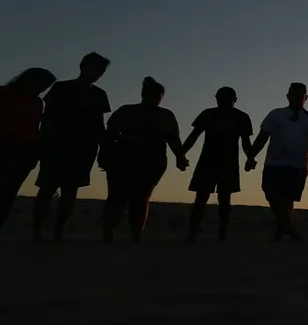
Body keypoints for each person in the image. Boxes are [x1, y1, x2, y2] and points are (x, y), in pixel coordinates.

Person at [33, 52, 111, 242]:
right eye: (95, 69)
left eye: (101, 71)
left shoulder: (99, 95)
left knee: (70, 192)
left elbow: (99, 125)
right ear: (83, 67)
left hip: (83, 150)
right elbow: (47, 119)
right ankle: (37, 232)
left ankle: (58, 232)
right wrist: (42, 144)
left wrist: (105, 150)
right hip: (56, 147)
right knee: (46, 189)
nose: (97, 74)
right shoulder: (61, 88)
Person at [100, 77, 188, 242]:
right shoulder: (128, 112)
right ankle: (116, 234)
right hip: (125, 158)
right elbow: (109, 136)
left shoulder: (162, 115)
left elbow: (173, 139)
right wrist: (104, 154)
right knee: (124, 198)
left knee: (133, 198)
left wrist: (180, 157)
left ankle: (129, 235)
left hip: (149, 160)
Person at [246, 82, 308, 241]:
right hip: (274, 163)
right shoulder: (276, 114)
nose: (297, 99)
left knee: (289, 198)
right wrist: (251, 156)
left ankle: (282, 231)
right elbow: (262, 137)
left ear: (306, 98)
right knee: (272, 194)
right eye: (293, 96)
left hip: (298, 165)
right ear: (287, 96)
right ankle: (289, 227)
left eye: (300, 97)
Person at [182, 87, 254, 241]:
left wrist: (250, 158)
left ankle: (222, 232)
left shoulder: (241, 117)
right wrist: (181, 153)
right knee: (201, 197)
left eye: (226, 101)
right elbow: (194, 136)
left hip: (228, 162)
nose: (223, 104)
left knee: (224, 199)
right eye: (220, 100)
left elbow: (246, 142)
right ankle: (193, 231)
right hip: (207, 160)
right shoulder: (208, 114)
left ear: (234, 100)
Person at [0, 68, 57, 238]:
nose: (41, 88)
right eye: (40, 84)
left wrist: (35, 152)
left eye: (45, 86)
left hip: (23, 152)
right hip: (4, 147)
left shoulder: (38, 103)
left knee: (7, 196)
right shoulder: (3, 94)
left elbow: (35, 128)